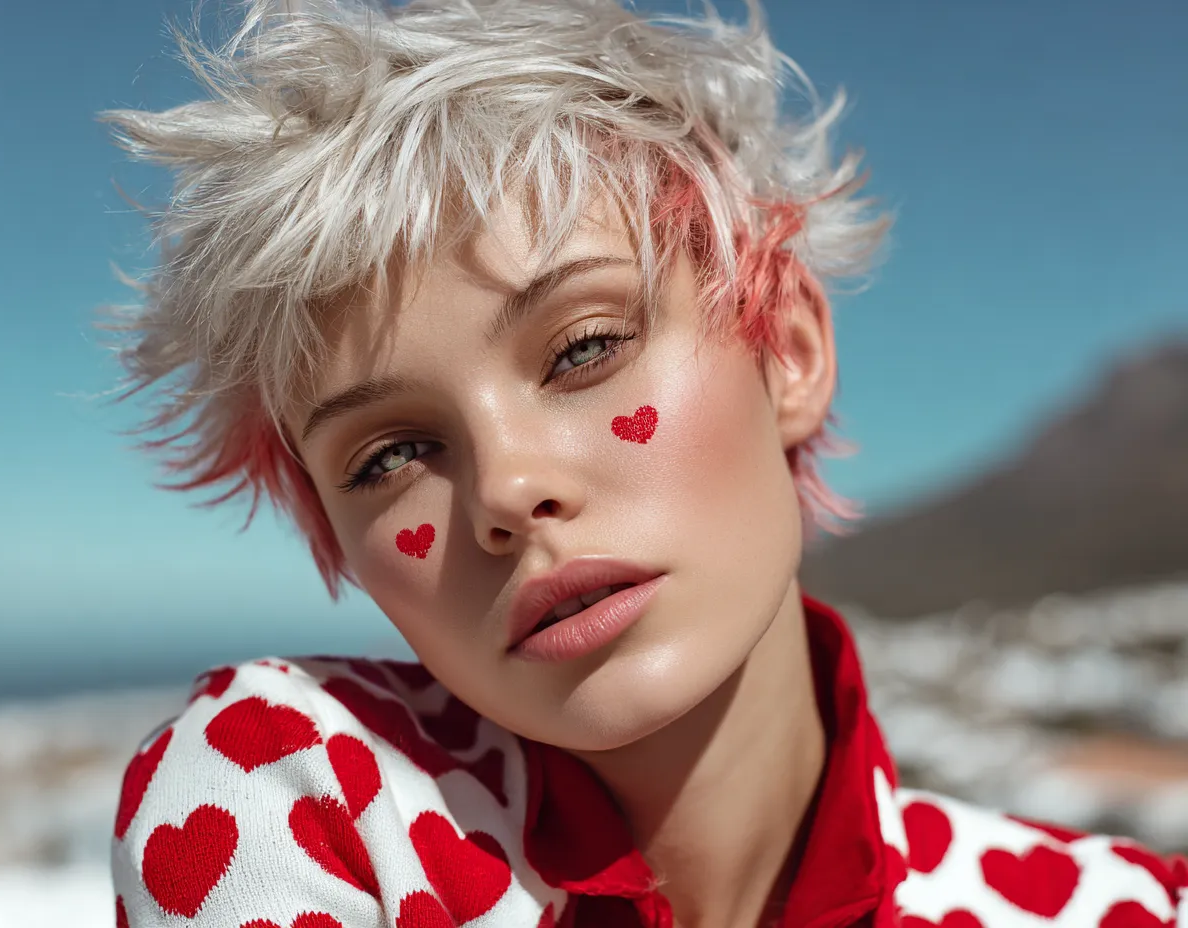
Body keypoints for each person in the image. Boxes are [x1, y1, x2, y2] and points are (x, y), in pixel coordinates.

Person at [100, 1, 1187, 925]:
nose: (508, 489)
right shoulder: (294, 796)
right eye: (392, 455)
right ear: (333, 533)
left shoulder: (1118, 906)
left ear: (789, 351)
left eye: (584, 348)